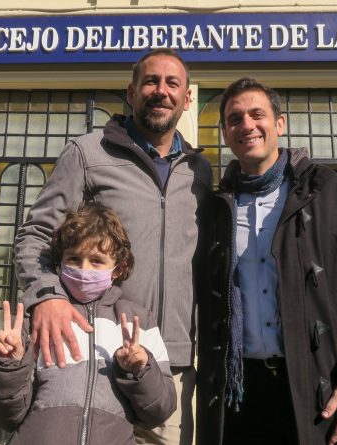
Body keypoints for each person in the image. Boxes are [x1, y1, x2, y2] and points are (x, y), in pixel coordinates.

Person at [14, 48, 212, 445]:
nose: (161, 91)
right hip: (93, 358)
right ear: (131, 92)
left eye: (172, 83)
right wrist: (48, 296)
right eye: (150, 81)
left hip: (167, 366)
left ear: (187, 97)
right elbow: (36, 234)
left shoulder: (199, 171)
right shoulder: (88, 153)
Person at [196, 78, 337, 445]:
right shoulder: (213, 210)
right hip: (241, 398)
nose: (247, 125)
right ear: (225, 133)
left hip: (320, 390)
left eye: (257, 115)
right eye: (235, 119)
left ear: (280, 124)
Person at [0, 202, 176, 444]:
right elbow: (4, 415)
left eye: (96, 261)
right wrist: (8, 366)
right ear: (60, 263)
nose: (84, 269)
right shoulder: (35, 319)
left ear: (119, 268)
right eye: (74, 258)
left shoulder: (139, 321)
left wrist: (140, 370)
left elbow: (159, 410)